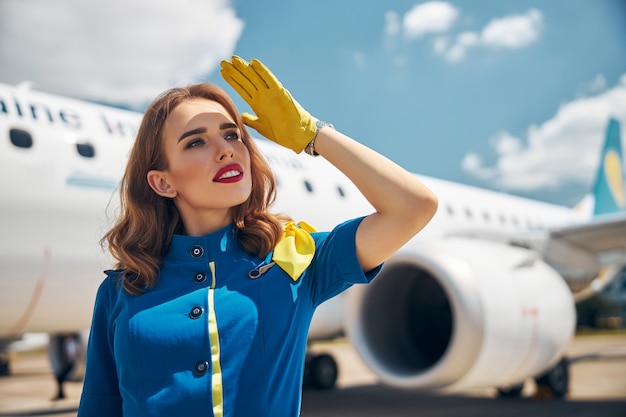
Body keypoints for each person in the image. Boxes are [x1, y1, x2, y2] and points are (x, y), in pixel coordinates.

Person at [77, 56, 437, 417]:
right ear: (162, 182)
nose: (226, 149)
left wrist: (313, 134)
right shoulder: (121, 291)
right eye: (195, 142)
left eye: (232, 134)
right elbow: (99, 406)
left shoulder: (292, 260)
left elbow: (413, 207)